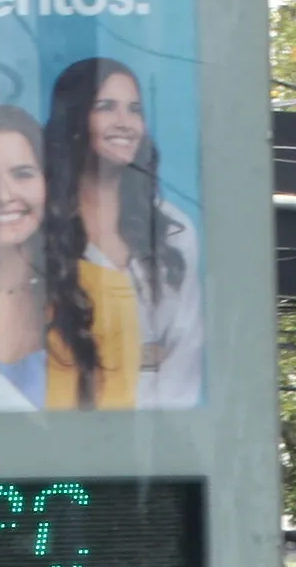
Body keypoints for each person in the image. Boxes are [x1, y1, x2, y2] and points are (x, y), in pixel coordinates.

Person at [0, 104, 140, 411]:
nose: (3, 195)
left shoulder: (110, 295)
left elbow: (115, 439)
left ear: (47, 185)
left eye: (22, 174)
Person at [47, 56, 202, 410]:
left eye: (134, 110)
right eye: (106, 107)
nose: (124, 123)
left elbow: (184, 349)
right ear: (74, 118)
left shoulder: (172, 232)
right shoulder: (40, 224)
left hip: (151, 439)